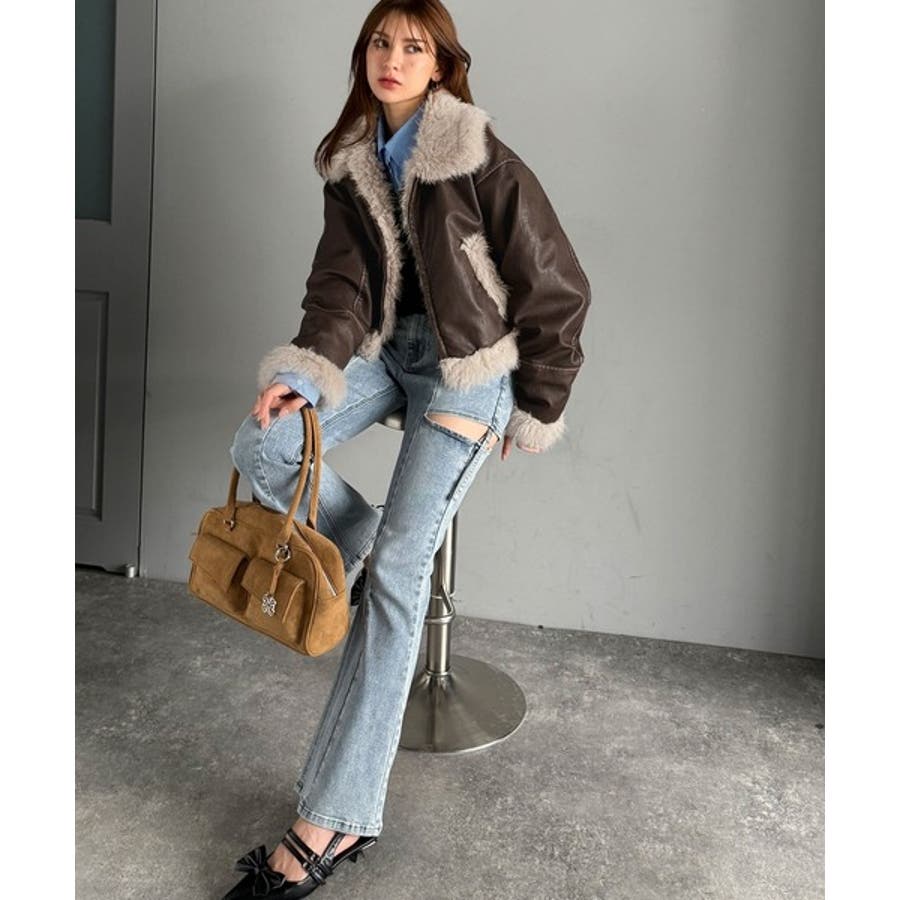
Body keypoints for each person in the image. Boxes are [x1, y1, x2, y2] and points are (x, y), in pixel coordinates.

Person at [223, 1, 591, 896]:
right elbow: (341, 289)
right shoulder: (353, 163)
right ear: (365, 56)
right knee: (263, 444)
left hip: (472, 370)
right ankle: (373, 555)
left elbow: (557, 286)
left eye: (414, 45)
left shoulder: (482, 157)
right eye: (381, 42)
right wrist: (305, 375)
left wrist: (536, 401)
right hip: (391, 354)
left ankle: (330, 823)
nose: (394, 57)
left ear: (441, 63)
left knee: (398, 572)